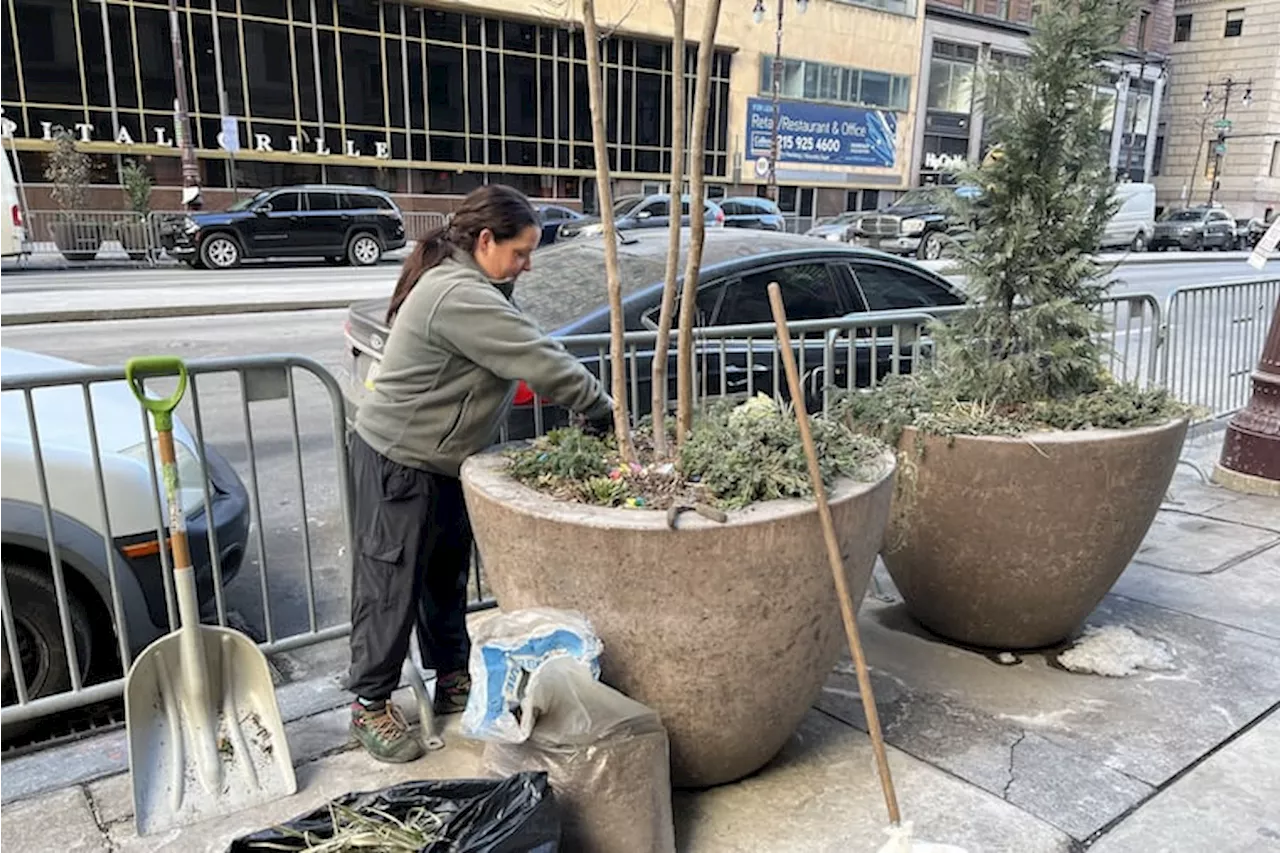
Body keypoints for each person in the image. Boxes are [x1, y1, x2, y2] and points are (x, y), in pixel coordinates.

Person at [347, 185, 614, 763]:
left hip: (441, 459)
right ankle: (368, 704)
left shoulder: (474, 283)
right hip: (400, 457)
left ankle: (450, 677)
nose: (527, 264)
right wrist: (601, 407)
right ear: (485, 240)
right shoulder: (457, 293)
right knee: (391, 583)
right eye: (520, 252)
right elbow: (536, 356)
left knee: (444, 577)